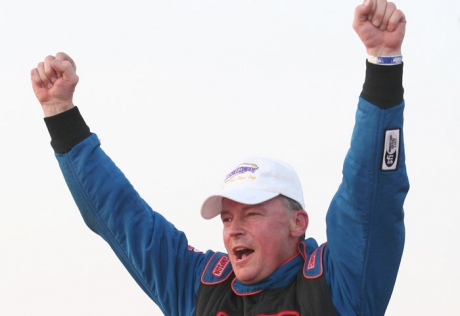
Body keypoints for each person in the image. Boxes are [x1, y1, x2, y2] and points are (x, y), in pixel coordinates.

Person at [31, 0, 409, 315]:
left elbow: (370, 192)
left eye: (252, 213)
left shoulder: (340, 283)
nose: (233, 230)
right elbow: (121, 217)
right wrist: (60, 113)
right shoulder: (198, 289)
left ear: (298, 222)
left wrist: (384, 64)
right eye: (227, 217)